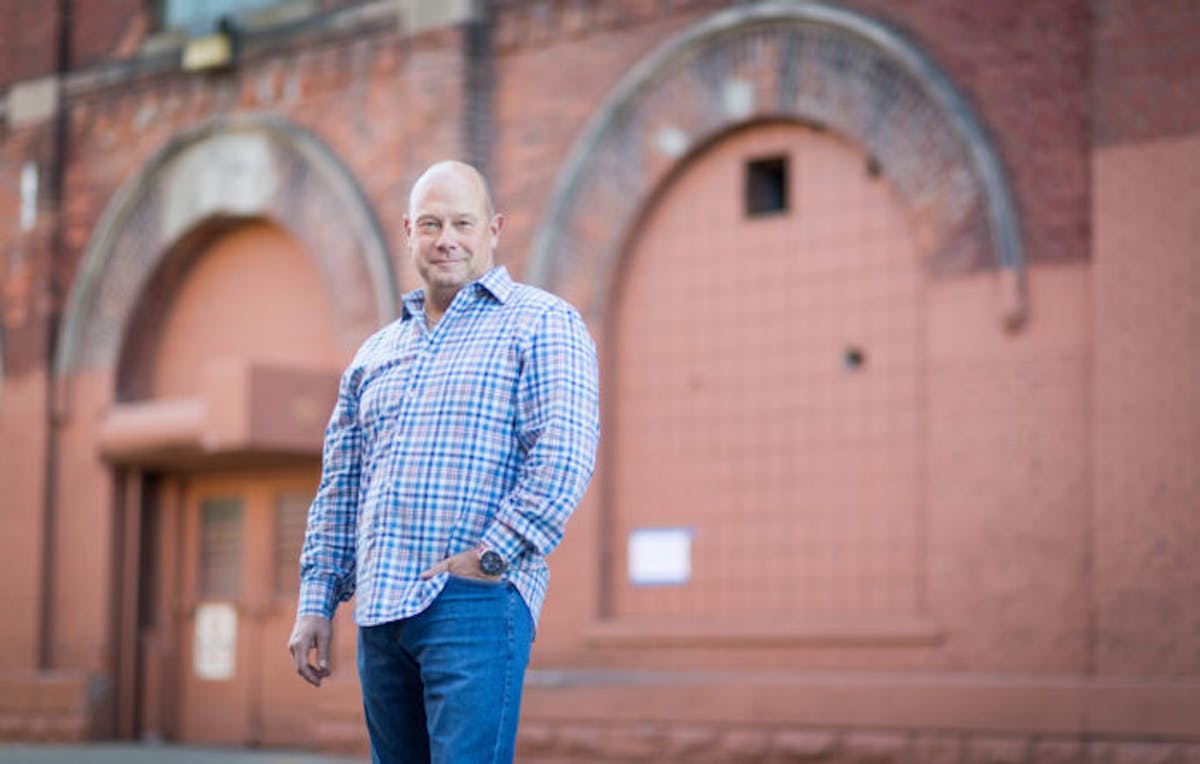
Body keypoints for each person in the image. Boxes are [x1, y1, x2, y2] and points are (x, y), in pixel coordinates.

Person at [287, 160, 600, 763]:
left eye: (462, 222)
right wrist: (316, 600)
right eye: (430, 224)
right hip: (380, 614)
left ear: (494, 230)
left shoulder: (541, 322)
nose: (446, 238)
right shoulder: (375, 353)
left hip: (475, 602)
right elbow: (340, 489)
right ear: (408, 232)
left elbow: (563, 456)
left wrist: (488, 558)